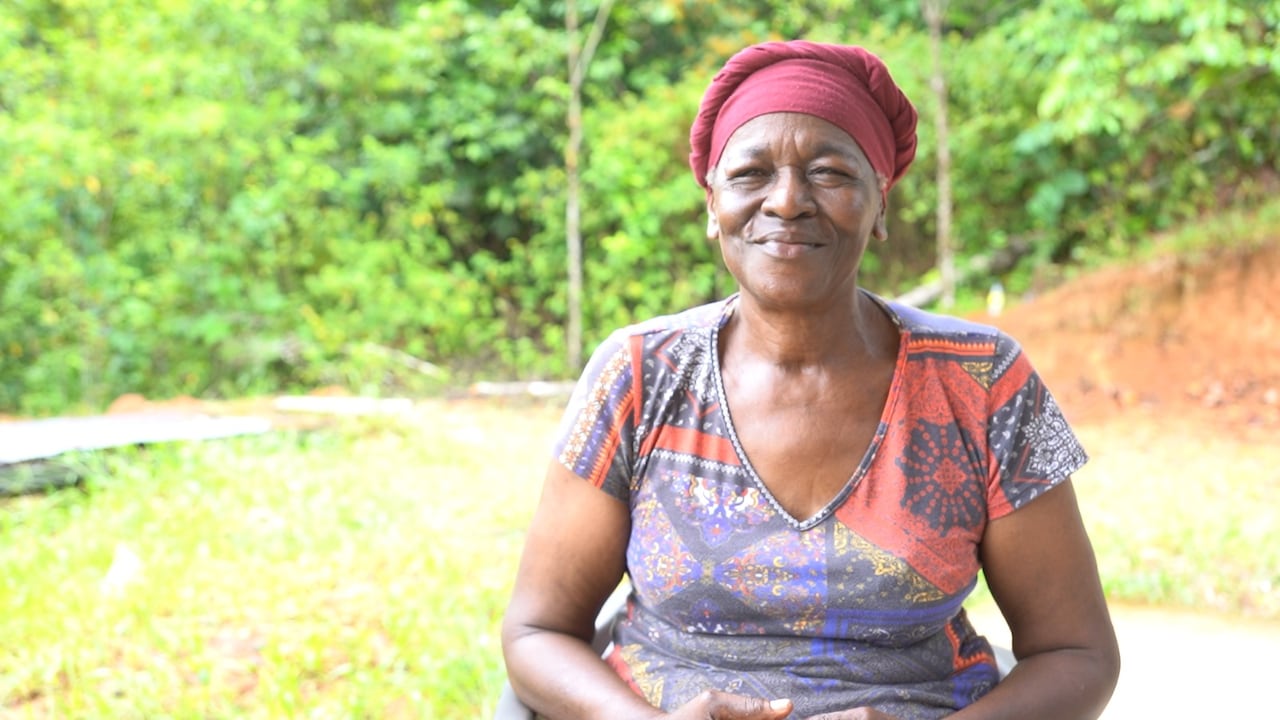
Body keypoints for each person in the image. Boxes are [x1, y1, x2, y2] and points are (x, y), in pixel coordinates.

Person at [502, 39, 1120, 720]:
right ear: (712, 205)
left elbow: (1078, 652)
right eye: (751, 174)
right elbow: (536, 631)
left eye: (829, 173)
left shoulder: (985, 380)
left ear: (880, 204)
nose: (788, 201)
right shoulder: (639, 373)